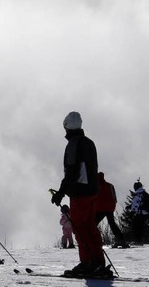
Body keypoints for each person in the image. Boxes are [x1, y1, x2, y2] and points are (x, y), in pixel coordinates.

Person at [51, 111, 111, 279]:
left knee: (79, 227)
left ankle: (88, 263)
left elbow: (72, 171)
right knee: (90, 226)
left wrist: (61, 193)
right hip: (93, 191)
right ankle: (98, 262)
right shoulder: (89, 143)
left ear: (67, 127)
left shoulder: (73, 144)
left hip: (80, 193)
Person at [94, 172, 127, 247]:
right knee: (112, 223)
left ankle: (95, 240)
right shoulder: (110, 185)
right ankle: (121, 240)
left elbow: (94, 197)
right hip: (109, 208)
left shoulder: (96, 186)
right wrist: (113, 204)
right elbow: (114, 197)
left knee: (93, 223)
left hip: (100, 208)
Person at [127, 180, 149, 244]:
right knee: (140, 226)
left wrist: (132, 212)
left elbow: (136, 204)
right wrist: (130, 206)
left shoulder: (139, 194)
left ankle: (138, 240)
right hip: (145, 212)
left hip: (142, 213)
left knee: (136, 226)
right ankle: (139, 240)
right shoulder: (144, 193)